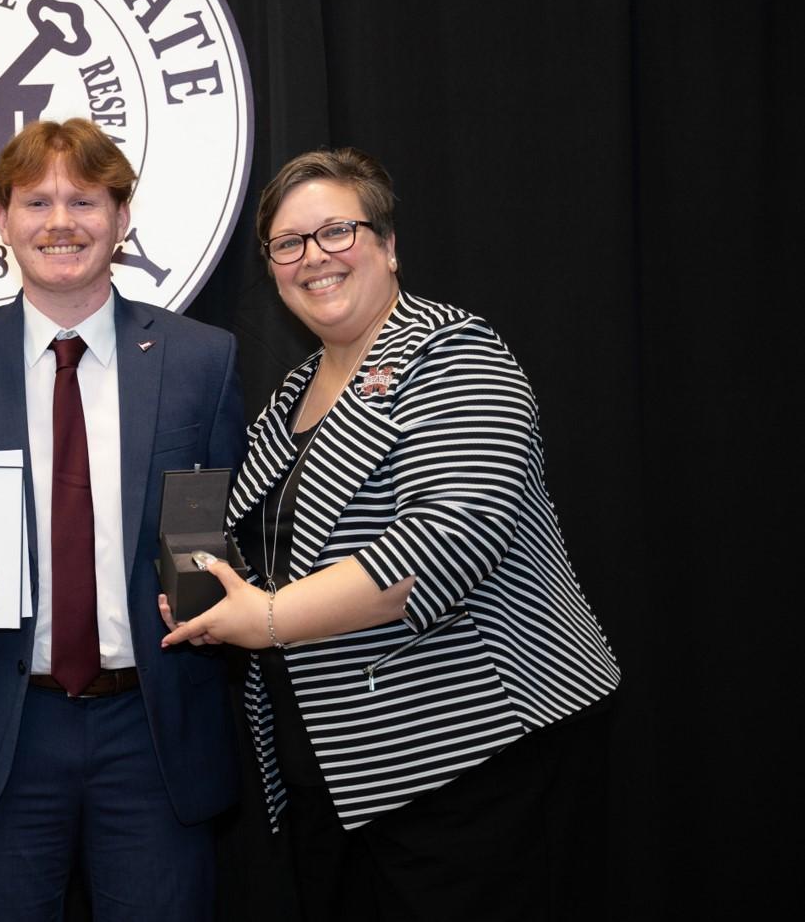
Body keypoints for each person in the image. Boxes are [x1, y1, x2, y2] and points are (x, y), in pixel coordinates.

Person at [162, 147, 621, 920]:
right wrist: (209, 598)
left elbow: (444, 541)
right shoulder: (290, 397)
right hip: (338, 777)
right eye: (288, 243)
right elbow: (258, 546)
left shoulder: (454, 352)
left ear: (387, 244)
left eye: (336, 231)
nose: (313, 257)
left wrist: (265, 621)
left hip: (472, 753)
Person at [0, 118, 247, 920]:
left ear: (122, 218)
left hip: (153, 731)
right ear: (1, 219)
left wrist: (223, 597)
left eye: (85, 200)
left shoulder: (202, 358)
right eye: (36, 201)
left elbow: (230, 523)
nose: (61, 222)